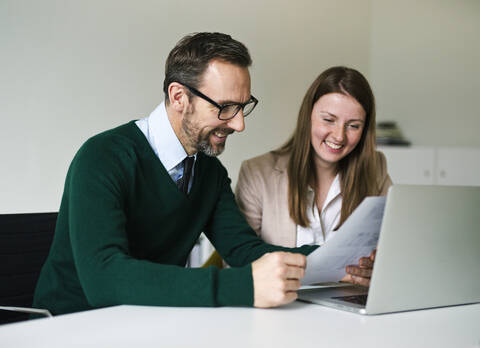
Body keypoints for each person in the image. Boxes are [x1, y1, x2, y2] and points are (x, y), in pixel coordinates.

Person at [32, 32, 318, 315]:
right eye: (226, 107)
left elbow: (244, 250)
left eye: (242, 107)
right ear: (179, 96)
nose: (239, 124)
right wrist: (243, 285)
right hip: (70, 325)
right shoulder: (102, 157)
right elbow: (105, 279)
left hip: (151, 321)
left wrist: (337, 261)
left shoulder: (210, 173)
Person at [235, 66, 392, 287]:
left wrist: (377, 267)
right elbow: (236, 262)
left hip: (349, 305)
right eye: (329, 120)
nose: (339, 136)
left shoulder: (376, 169)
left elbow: (393, 250)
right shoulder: (257, 173)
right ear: (308, 115)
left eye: (353, 126)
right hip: (282, 306)